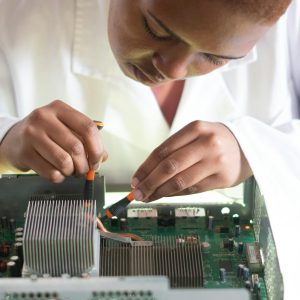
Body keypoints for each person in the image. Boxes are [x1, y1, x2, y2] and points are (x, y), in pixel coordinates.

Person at [0, 0, 299, 296]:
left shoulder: (287, 18)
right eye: (156, 29)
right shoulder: (15, 16)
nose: (173, 69)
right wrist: (6, 140)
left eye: (215, 56)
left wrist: (252, 149)